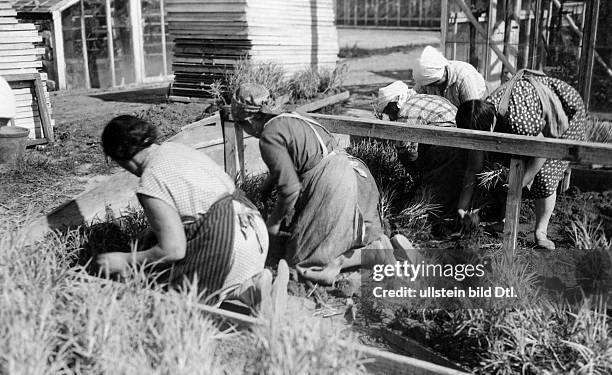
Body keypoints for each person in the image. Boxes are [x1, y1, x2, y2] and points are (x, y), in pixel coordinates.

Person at [96, 115, 286, 310]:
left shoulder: (150, 181)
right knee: (213, 276)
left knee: (167, 304)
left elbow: (173, 250)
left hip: (228, 242)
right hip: (253, 231)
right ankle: (251, 288)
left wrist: (126, 260)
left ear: (118, 156)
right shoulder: (174, 149)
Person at [231, 83, 393, 285]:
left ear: (249, 120)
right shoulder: (292, 115)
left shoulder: (268, 136)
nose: (246, 131)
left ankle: (372, 256)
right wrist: (264, 190)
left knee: (301, 265)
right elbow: (290, 162)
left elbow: (290, 190)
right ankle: (377, 249)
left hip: (333, 181)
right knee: (344, 237)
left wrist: (272, 226)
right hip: (357, 173)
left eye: (242, 126)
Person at [455, 70, 586, 249]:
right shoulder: (480, 118)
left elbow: (542, 148)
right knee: (503, 168)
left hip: (565, 109)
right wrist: (462, 208)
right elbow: (473, 168)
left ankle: (541, 232)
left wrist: (522, 182)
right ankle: (504, 220)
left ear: (491, 127)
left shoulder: (518, 122)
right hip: (532, 114)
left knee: (545, 176)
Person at [376, 81, 462, 214]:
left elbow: (408, 152)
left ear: (394, 104)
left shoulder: (406, 112)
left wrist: (417, 175)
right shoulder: (418, 98)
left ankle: (424, 213)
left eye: (388, 110)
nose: (389, 116)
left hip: (447, 144)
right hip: (458, 138)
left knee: (427, 194)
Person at [414, 46, 487, 108]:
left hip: (478, 102)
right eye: (429, 85)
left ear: (444, 73)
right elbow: (414, 97)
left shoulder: (463, 78)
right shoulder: (426, 79)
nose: (431, 87)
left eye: (434, 84)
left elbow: (472, 110)